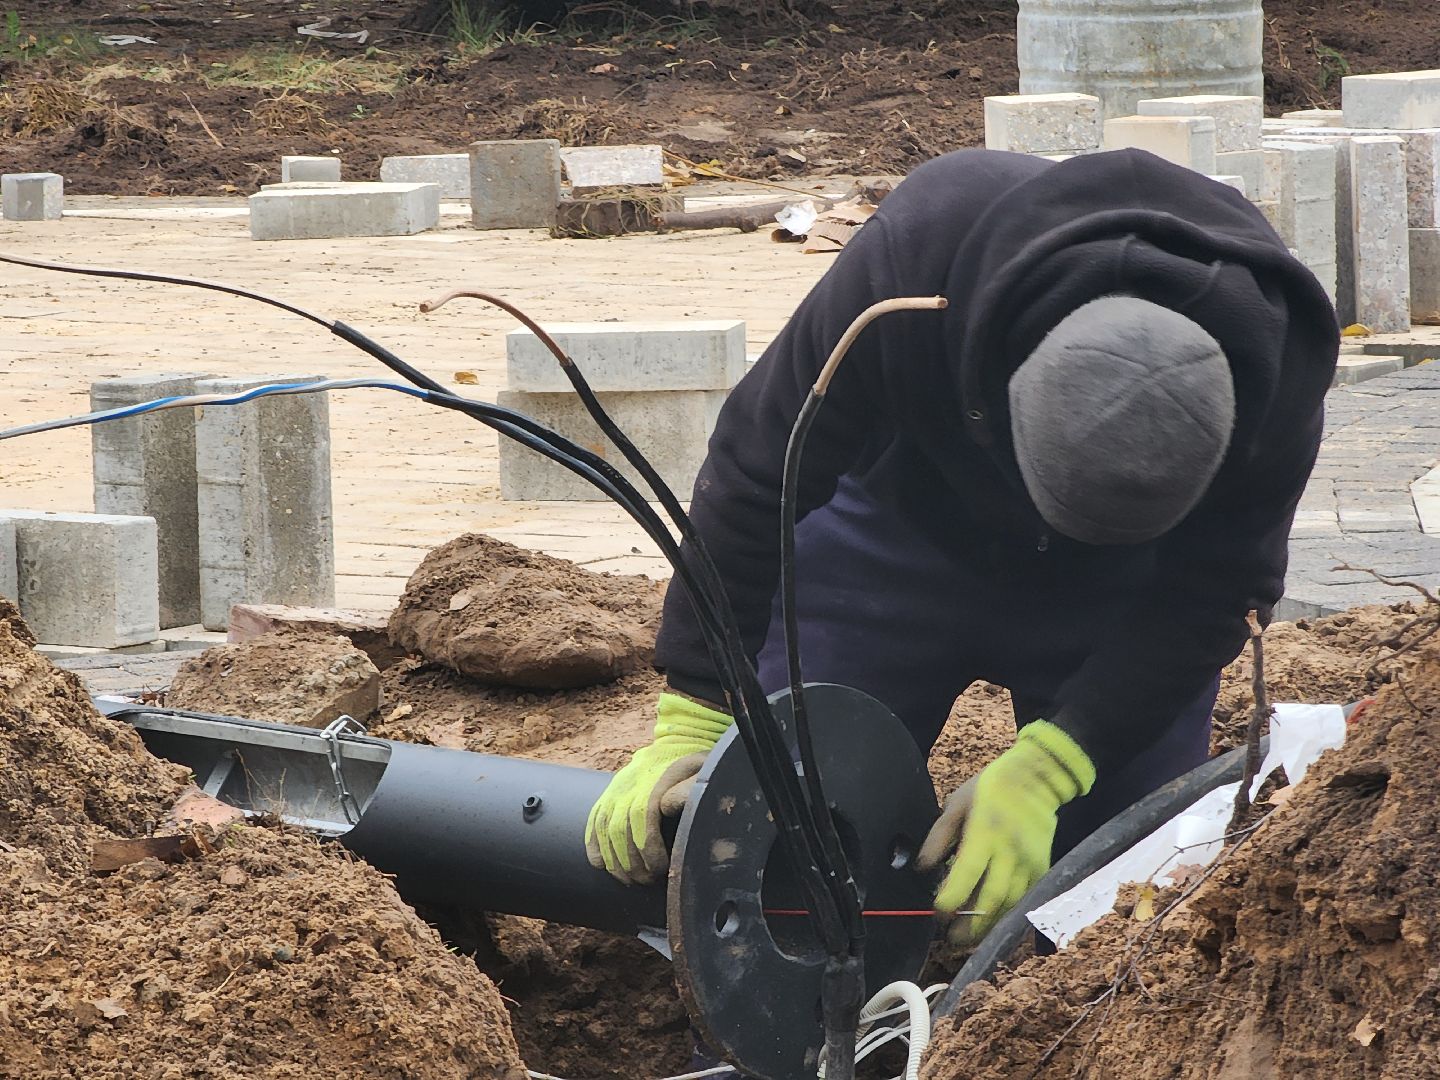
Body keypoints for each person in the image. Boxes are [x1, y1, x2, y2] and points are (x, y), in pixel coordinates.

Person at [583, 147, 1339, 944]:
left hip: (1126, 596)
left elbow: (1223, 590)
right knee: (780, 824)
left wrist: (1055, 766)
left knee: (1127, 901)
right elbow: (754, 469)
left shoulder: (1277, 364)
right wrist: (697, 710)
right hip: (896, 534)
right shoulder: (924, 256)